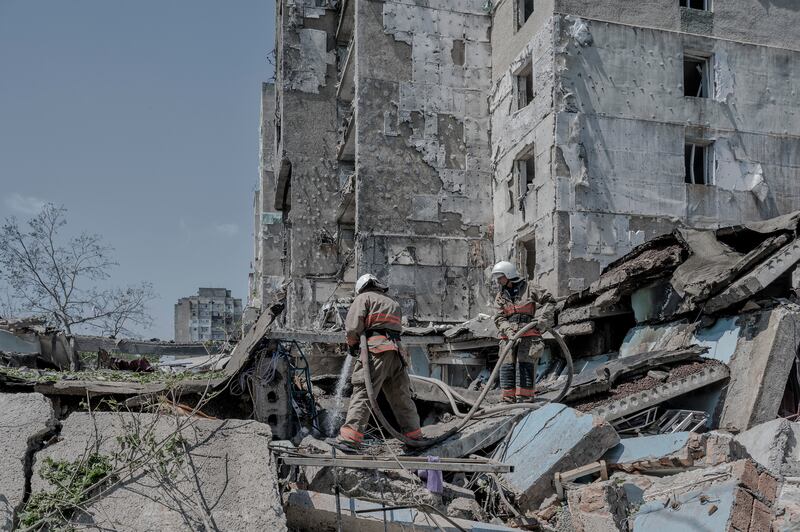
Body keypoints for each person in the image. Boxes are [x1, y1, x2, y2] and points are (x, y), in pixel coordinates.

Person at [334, 273, 421, 451]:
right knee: (401, 397)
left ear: (361, 288)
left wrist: (352, 345)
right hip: (396, 355)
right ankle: (414, 436)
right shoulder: (393, 303)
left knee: (363, 392)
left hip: (375, 352)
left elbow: (352, 328)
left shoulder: (363, 298)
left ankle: (350, 437)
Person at [492, 261, 555, 403]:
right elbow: (498, 317)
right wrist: (508, 330)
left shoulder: (529, 288)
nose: (498, 281)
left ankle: (525, 398)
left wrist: (542, 320)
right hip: (509, 337)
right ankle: (508, 400)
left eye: (500, 277)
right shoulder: (501, 296)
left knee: (524, 365)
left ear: (508, 275)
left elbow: (550, 301)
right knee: (506, 366)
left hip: (529, 336)